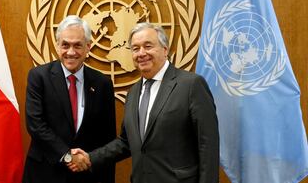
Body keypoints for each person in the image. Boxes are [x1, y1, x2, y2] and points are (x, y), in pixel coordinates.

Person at [69, 22, 219, 183]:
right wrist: (90, 158)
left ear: (165, 49)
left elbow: (208, 145)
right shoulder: (133, 93)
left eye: (148, 46)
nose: (141, 53)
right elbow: (126, 142)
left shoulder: (191, 85)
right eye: (135, 48)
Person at [22, 15, 116, 183]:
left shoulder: (103, 83)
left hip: (87, 175)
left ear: (88, 47)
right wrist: (67, 156)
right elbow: (35, 125)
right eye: (65, 45)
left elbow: (107, 138)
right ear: (58, 46)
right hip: (45, 173)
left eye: (78, 45)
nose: (71, 52)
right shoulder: (39, 77)